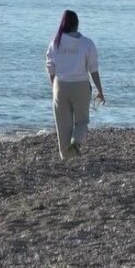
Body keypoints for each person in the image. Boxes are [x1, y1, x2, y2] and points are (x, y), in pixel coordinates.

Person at [44, 10, 105, 159]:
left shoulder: (55, 43)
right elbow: (93, 69)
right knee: (82, 120)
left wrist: (54, 85)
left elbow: (50, 67)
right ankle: (76, 142)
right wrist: (100, 90)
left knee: (62, 124)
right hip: (81, 85)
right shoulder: (87, 43)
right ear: (77, 24)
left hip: (60, 85)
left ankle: (66, 156)